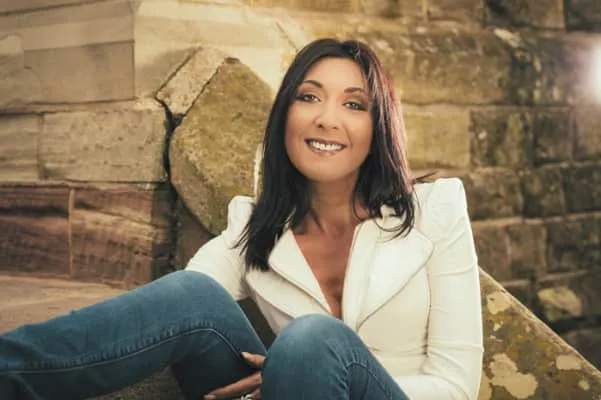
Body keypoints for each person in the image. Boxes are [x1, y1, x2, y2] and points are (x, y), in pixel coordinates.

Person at [0, 38, 483, 400]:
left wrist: (311, 373)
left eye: (354, 104)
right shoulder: (254, 226)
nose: (327, 118)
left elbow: (456, 384)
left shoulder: (436, 210)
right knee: (192, 294)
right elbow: (175, 312)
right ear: (284, 116)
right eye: (309, 97)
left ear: (378, 128)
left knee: (311, 340)